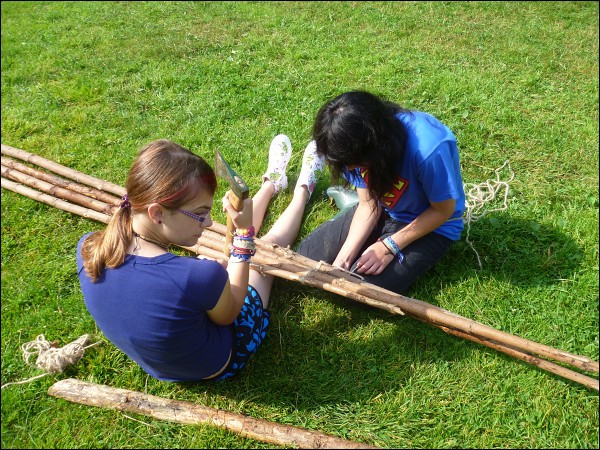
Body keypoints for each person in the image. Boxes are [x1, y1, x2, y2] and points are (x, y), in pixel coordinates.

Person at [77, 136, 324, 382]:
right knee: (265, 253)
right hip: (218, 362)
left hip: (166, 366)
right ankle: (302, 192)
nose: (207, 223)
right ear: (157, 213)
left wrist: (204, 278)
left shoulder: (89, 248)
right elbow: (229, 314)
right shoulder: (197, 277)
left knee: (235, 256)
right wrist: (244, 234)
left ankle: (271, 185)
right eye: (200, 213)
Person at [297, 91, 466, 294]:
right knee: (305, 257)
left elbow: (443, 211)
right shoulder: (352, 151)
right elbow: (368, 203)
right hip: (384, 208)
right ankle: (358, 217)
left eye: (354, 162)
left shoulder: (428, 149)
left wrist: (390, 246)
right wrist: (343, 259)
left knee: (358, 290)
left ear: (376, 146)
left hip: (433, 224)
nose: (349, 169)